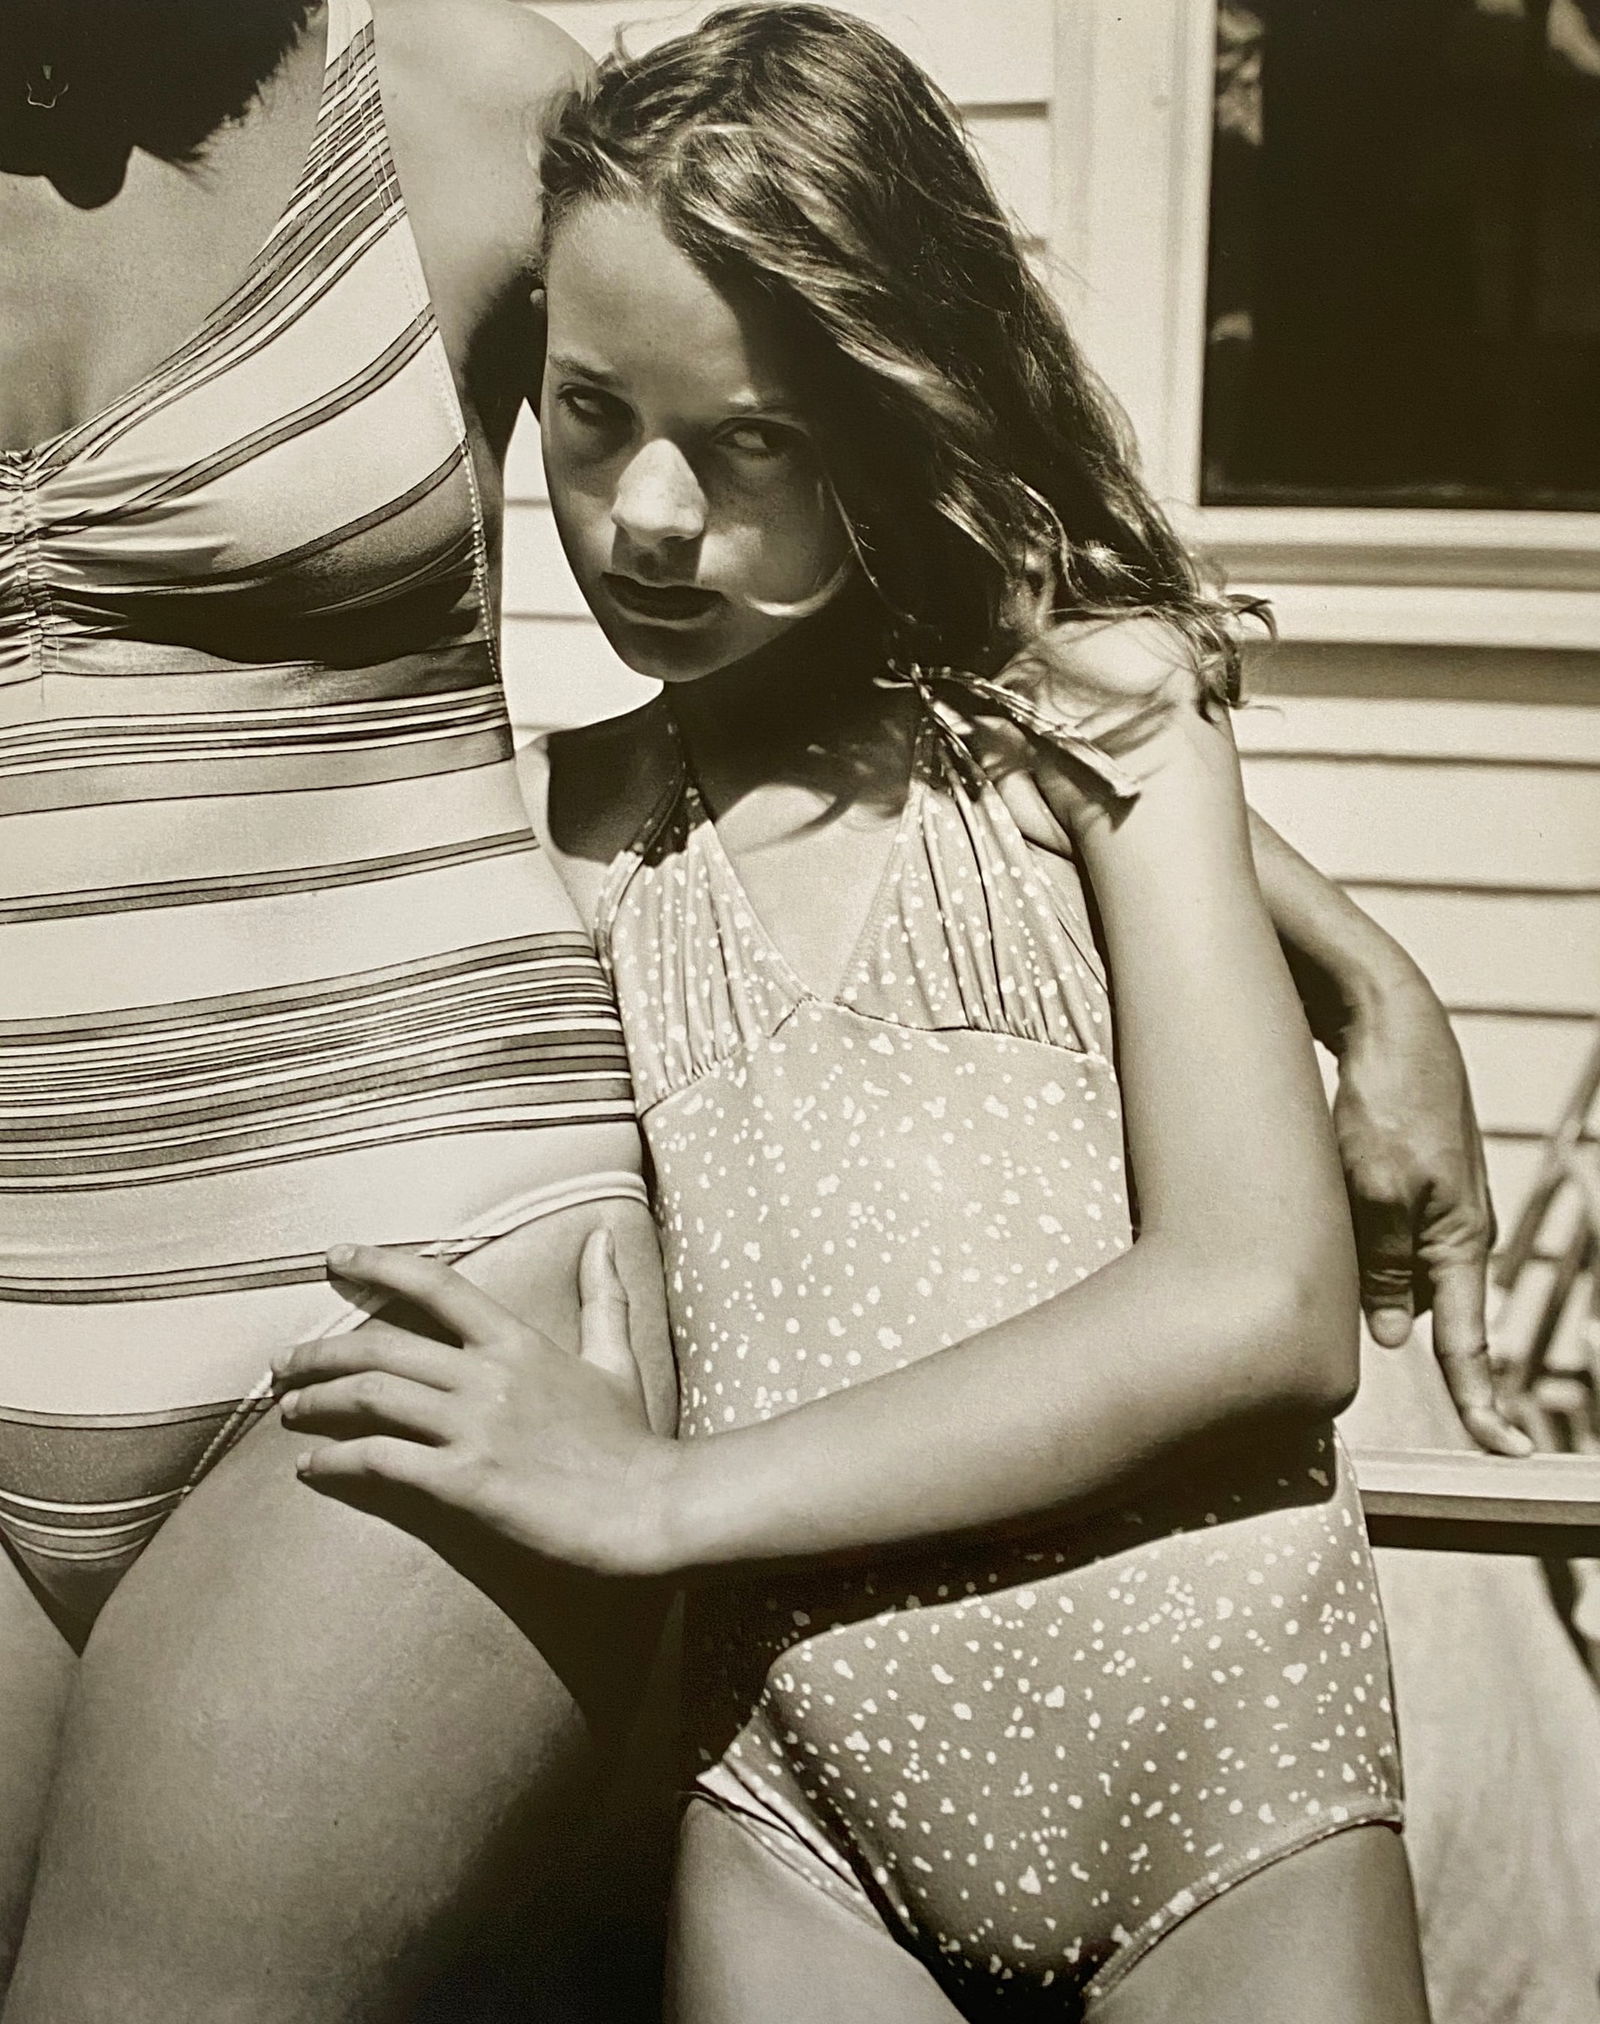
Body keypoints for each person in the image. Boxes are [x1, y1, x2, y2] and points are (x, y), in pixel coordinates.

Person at [0, 0, 1553, 2015]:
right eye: (589, 421)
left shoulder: (464, 105)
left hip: (406, 1323)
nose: (650, 513)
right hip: (781, 1798)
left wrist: (1350, 965)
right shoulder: (606, 815)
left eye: (746, 451)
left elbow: (917, 517)